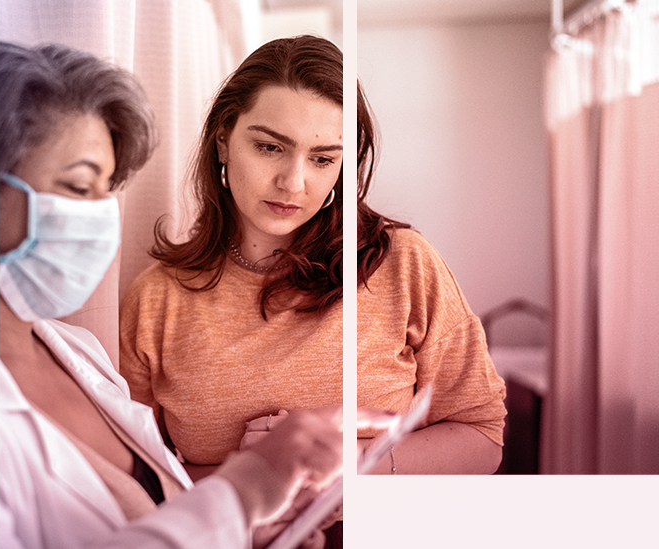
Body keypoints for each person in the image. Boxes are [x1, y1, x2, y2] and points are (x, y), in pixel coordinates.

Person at [0, 44, 391, 549]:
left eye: (109, 189)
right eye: (80, 187)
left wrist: (252, 528)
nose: (103, 219)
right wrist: (244, 491)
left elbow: (158, 523)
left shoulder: (76, 352)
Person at [119, 34, 507, 541]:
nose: (293, 181)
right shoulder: (157, 299)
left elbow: (482, 435)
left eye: (323, 159)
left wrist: (357, 466)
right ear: (222, 140)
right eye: (269, 147)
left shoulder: (403, 266)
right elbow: (139, 481)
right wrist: (260, 474)